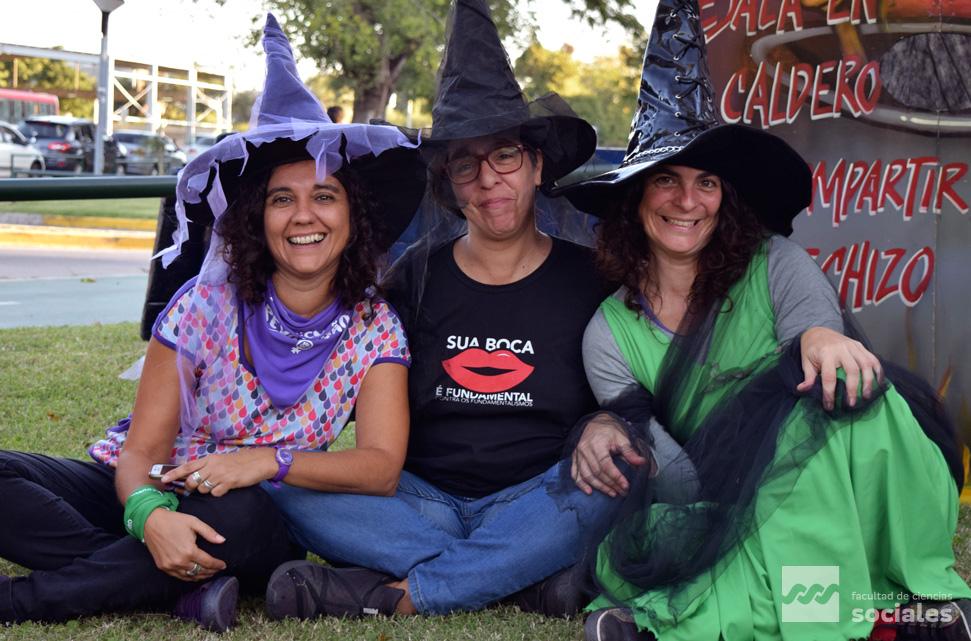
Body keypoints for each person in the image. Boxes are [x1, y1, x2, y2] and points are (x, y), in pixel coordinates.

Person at [260, 0, 878, 622]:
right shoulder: (411, 280)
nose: (488, 180)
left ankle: (409, 595)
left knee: (616, 478)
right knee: (283, 484)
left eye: (505, 156)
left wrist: (603, 426)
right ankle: (521, 578)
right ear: (448, 184)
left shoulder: (596, 280)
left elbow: (630, 397)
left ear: (535, 166)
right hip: (418, 501)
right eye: (466, 165)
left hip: (547, 497)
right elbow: (355, 405)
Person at [555, 0, 971, 639]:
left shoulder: (774, 263)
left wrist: (825, 339)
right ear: (635, 197)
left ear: (725, 198)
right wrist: (734, 508)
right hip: (717, 490)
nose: (687, 200)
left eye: (707, 182)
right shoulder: (608, 335)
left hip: (849, 470)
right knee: (718, 521)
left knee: (846, 398)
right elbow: (675, 476)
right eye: (666, 180)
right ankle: (880, 618)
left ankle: (802, 612)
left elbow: (815, 328)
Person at [0, 14, 423, 632]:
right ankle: (172, 585)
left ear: (353, 215)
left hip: (250, 514)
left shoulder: (374, 327)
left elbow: (380, 468)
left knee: (242, 518)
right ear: (257, 218)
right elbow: (142, 453)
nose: (304, 215)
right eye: (282, 198)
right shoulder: (204, 308)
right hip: (152, 484)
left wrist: (267, 461)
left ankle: (24, 601)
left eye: (324, 196)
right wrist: (149, 515)